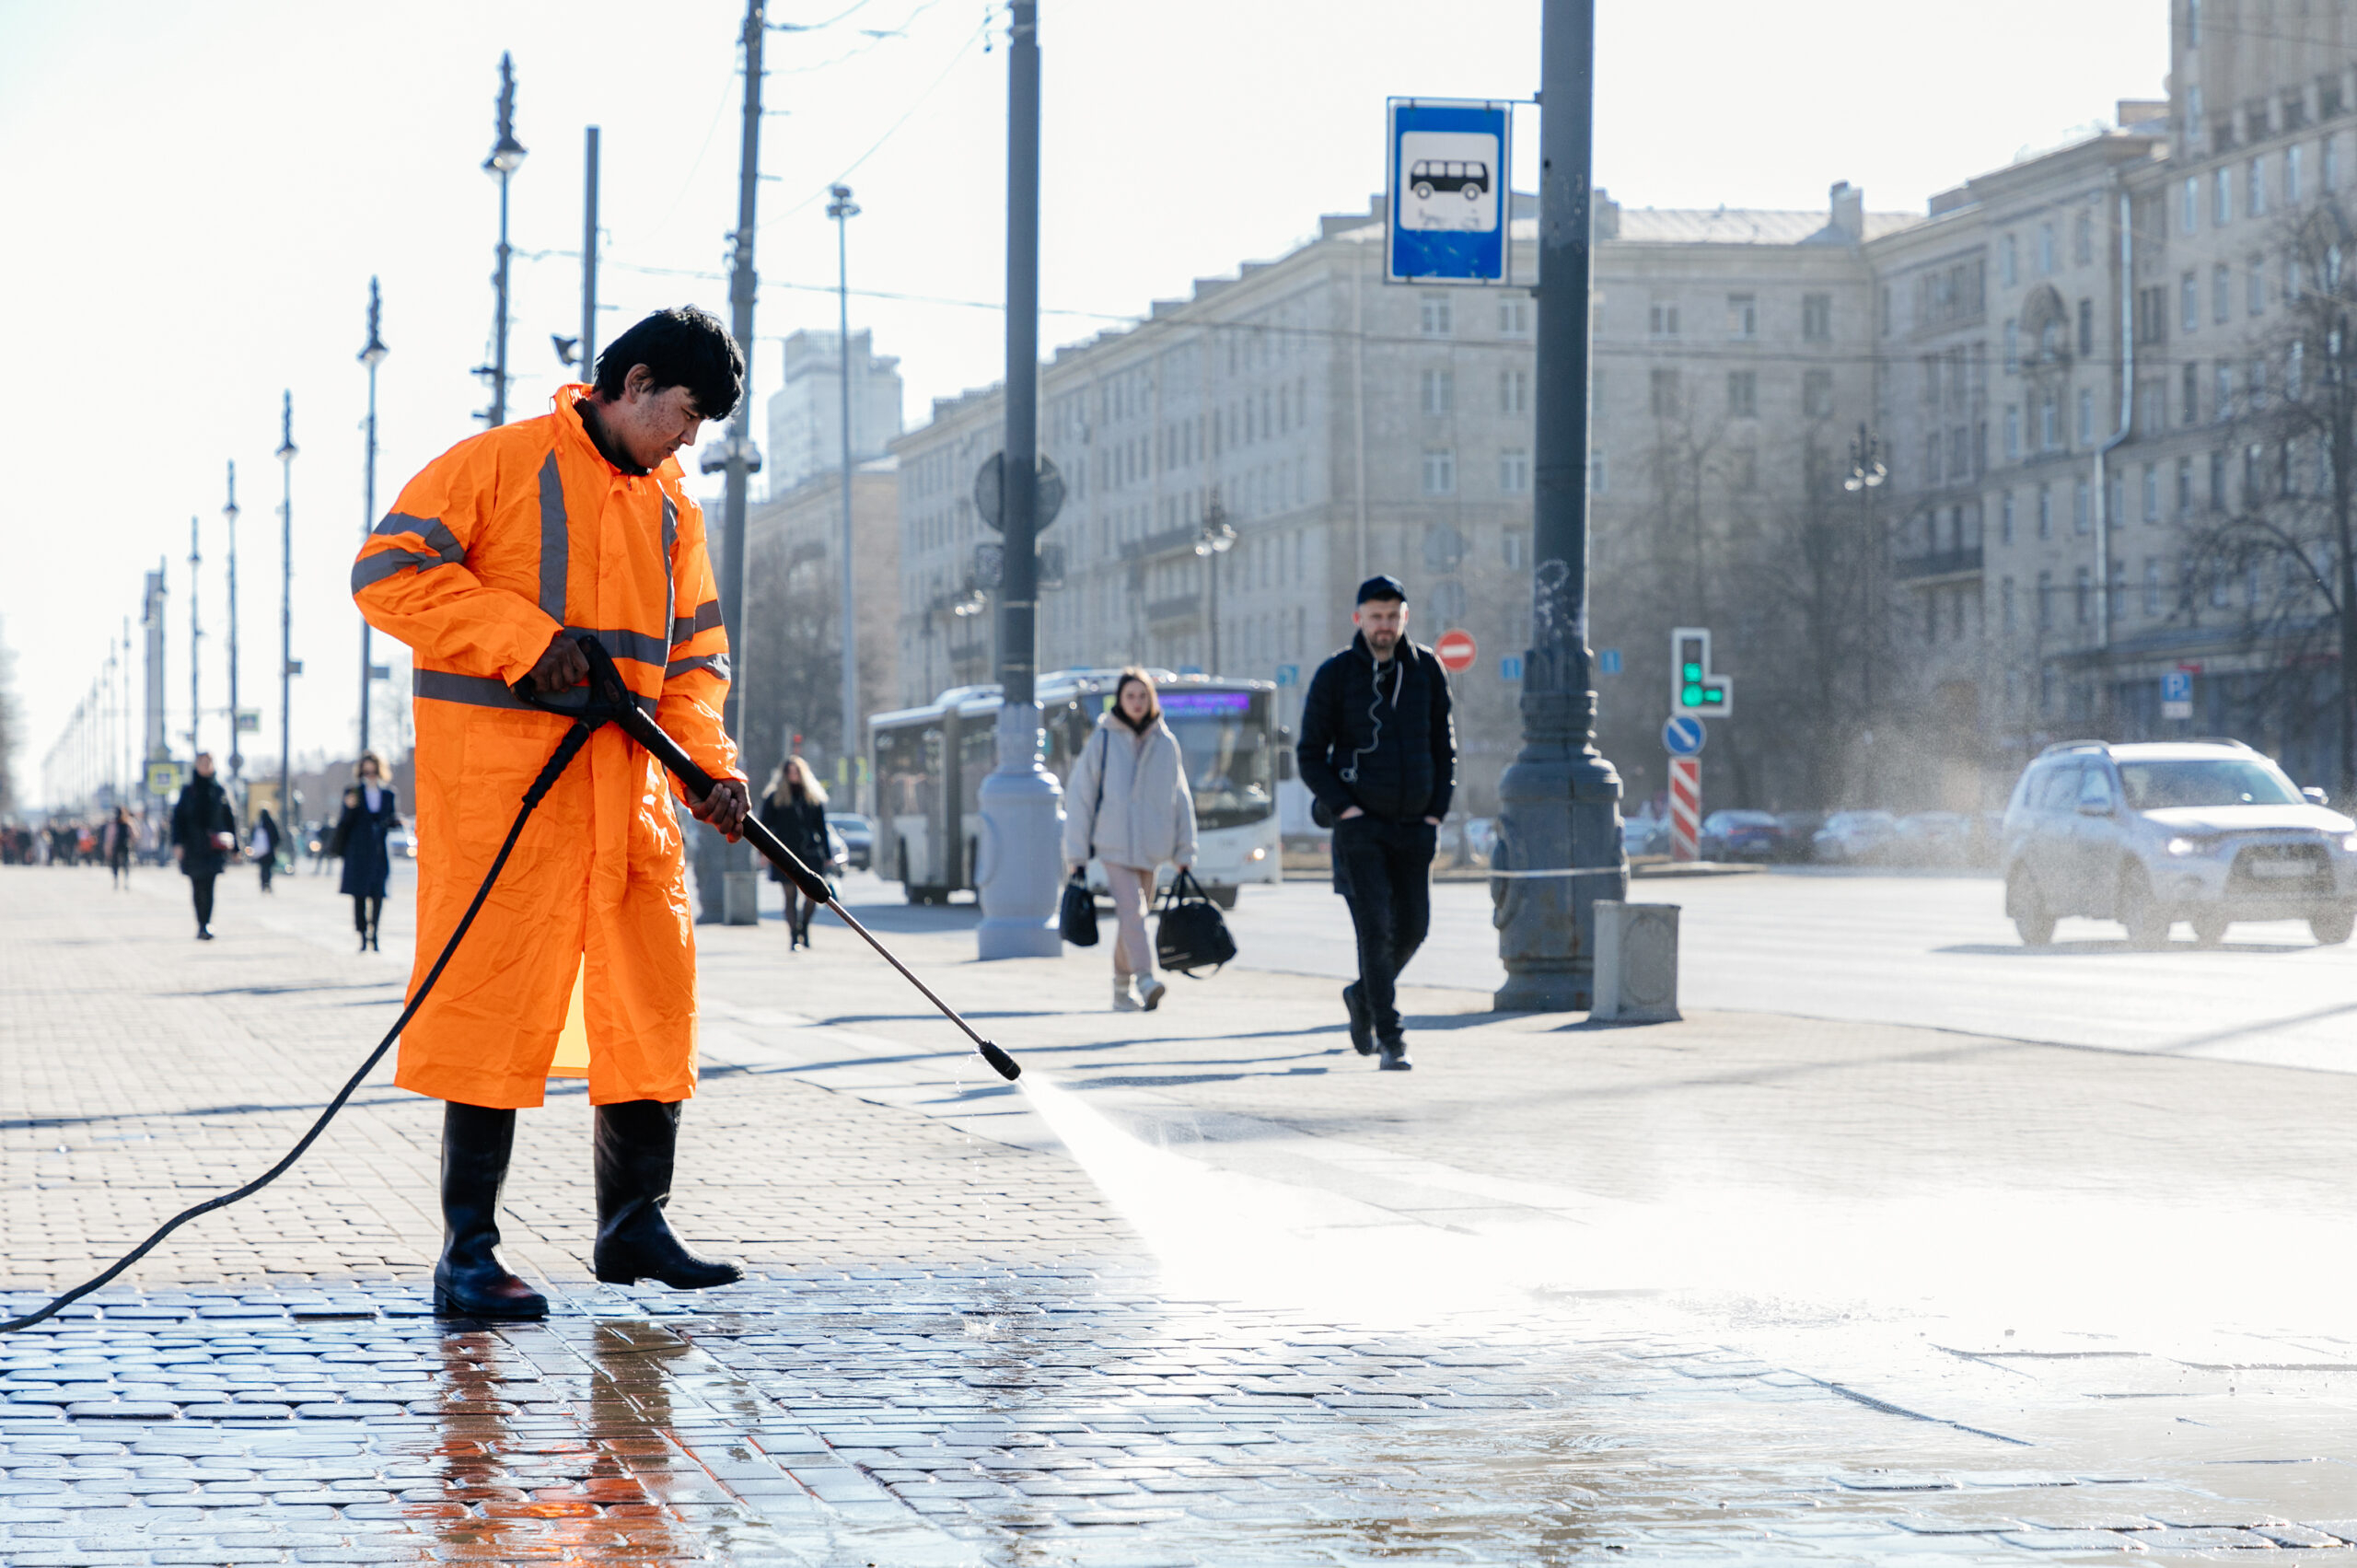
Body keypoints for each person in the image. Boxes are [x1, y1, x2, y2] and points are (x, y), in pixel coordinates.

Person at [352, 305, 751, 1320]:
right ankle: (467, 1255)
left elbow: (697, 662)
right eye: (686, 413)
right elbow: (386, 573)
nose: (689, 439)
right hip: (508, 805)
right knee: (493, 1010)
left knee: (647, 1007)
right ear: (635, 381)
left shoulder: (673, 512)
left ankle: (633, 1224)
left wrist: (711, 769)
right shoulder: (498, 465)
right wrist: (523, 640)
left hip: (632, 808)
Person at [1295, 575, 1457, 1072]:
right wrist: (1345, 808)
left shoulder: (1427, 668)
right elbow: (1309, 754)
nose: (1383, 626)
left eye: (1392, 617)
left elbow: (1443, 745)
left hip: (1416, 825)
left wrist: (1436, 810)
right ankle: (1392, 1038)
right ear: (1358, 619)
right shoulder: (1336, 674)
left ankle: (1362, 995)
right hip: (1360, 828)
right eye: (1375, 617)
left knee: (1415, 927)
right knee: (1376, 931)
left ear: (1404, 617)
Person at [1062, 668, 1198, 1013]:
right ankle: (1145, 978)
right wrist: (1076, 852)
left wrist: (1185, 849)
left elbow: (1180, 796)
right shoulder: (1103, 739)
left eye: (1142, 696)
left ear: (1151, 699)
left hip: (1152, 847)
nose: (1136, 703)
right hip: (1113, 845)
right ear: (1120, 701)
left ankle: (1120, 993)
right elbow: (1081, 797)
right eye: (1130, 696)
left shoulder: (1166, 742)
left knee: (1132, 918)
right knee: (1133, 912)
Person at [757, 756, 830, 949]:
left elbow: (822, 828)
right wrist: (763, 853)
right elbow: (764, 828)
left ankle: (804, 927)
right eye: (789, 772)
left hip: (810, 853)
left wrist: (828, 855)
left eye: (796, 772)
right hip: (785, 853)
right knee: (790, 897)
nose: (792, 775)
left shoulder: (812, 797)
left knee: (812, 897)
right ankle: (793, 936)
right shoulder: (775, 797)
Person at [332, 755, 398, 950]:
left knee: (378, 894)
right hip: (358, 851)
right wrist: (350, 808)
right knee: (359, 895)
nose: (370, 776)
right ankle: (362, 936)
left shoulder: (388, 793)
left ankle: (375, 934)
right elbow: (345, 822)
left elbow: (390, 818)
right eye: (366, 772)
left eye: (373, 772)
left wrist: (396, 822)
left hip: (379, 851)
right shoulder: (353, 792)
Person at [170, 753, 238, 941]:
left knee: (209, 886)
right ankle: (200, 923)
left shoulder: (219, 791)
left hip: (213, 848)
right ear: (196, 765)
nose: (205, 765)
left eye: (208, 762)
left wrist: (236, 848)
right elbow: (178, 820)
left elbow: (230, 820)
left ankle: (207, 924)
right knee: (196, 886)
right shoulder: (188, 791)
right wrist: (177, 843)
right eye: (202, 762)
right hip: (192, 847)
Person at [250, 807, 284, 894]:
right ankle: (268, 883)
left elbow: (252, 836)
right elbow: (277, 837)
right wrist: (273, 846)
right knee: (268, 868)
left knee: (262, 868)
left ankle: (263, 883)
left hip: (261, 851)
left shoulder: (258, 824)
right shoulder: (272, 823)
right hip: (270, 851)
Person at [103, 807, 134, 889]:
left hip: (120, 846)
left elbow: (109, 838)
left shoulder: (124, 823)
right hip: (121, 845)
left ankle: (120, 881)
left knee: (120, 864)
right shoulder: (126, 823)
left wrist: (108, 848)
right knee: (121, 864)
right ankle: (120, 880)